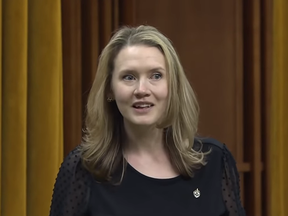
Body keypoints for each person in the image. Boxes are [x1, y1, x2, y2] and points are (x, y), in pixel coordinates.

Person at [49, 25, 246, 216]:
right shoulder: (83, 169)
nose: (142, 90)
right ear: (110, 89)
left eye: (156, 76)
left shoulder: (215, 162)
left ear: (173, 86)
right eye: (129, 77)